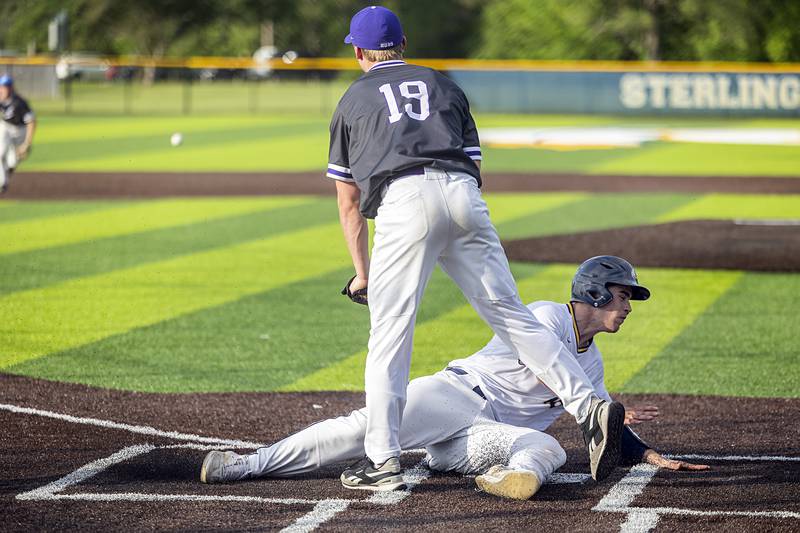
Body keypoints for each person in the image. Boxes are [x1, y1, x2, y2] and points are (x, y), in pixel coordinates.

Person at [317, 5, 627, 491]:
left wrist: (364, 273)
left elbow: (349, 199)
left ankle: (382, 461)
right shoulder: (444, 84)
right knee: (512, 316)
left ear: (359, 52)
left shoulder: (354, 98)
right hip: (464, 195)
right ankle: (589, 407)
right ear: (404, 45)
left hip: (404, 201)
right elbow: (473, 167)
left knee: (390, 334)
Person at [200, 256, 708, 499]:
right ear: (595, 294)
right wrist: (597, 405)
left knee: (547, 449)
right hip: (454, 396)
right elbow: (559, 373)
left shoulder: (591, 364)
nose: (628, 307)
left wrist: (647, 452)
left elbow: (598, 417)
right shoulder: (545, 316)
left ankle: (503, 479)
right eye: (624, 296)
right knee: (362, 430)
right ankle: (244, 465)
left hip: (474, 440)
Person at [0, 74, 36, 194]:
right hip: (5, 127)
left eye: (6, 86)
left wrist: (27, 143)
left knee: (13, 162)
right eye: (2, 87)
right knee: (1, 152)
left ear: (11, 88)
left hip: (20, 130)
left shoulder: (20, 103)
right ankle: (2, 183)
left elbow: (31, 122)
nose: (4, 89)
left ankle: (6, 173)